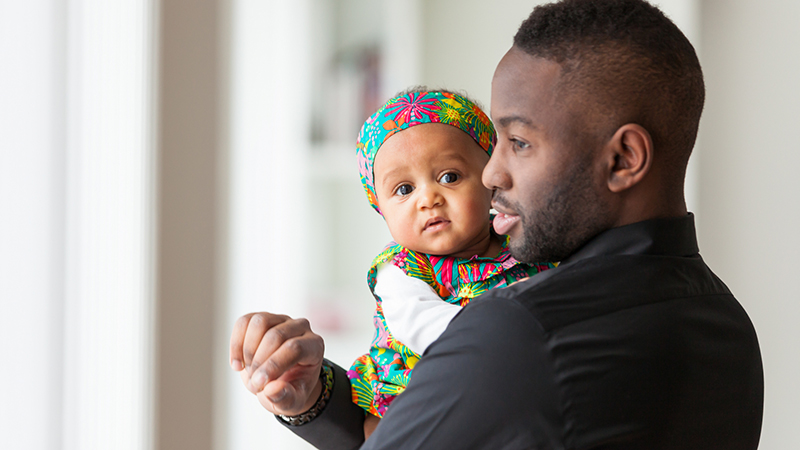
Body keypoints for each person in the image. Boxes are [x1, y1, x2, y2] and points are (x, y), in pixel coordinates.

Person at [229, 1, 764, 449]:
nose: (492, 171)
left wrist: (316, 409)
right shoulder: (727, 326)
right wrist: (316, 402)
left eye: (519, 142)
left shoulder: (518, 332)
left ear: (623, 158)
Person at [348, 88, 554, 437]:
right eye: (403, 189)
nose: (428, 198)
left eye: (449, 177)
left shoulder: (521, 243)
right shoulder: (399, 269)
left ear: (490, 180)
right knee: (381, 430)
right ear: (379, 207)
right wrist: (506, 336)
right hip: (418, 391)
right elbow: (422, 324)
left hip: (508, 390)